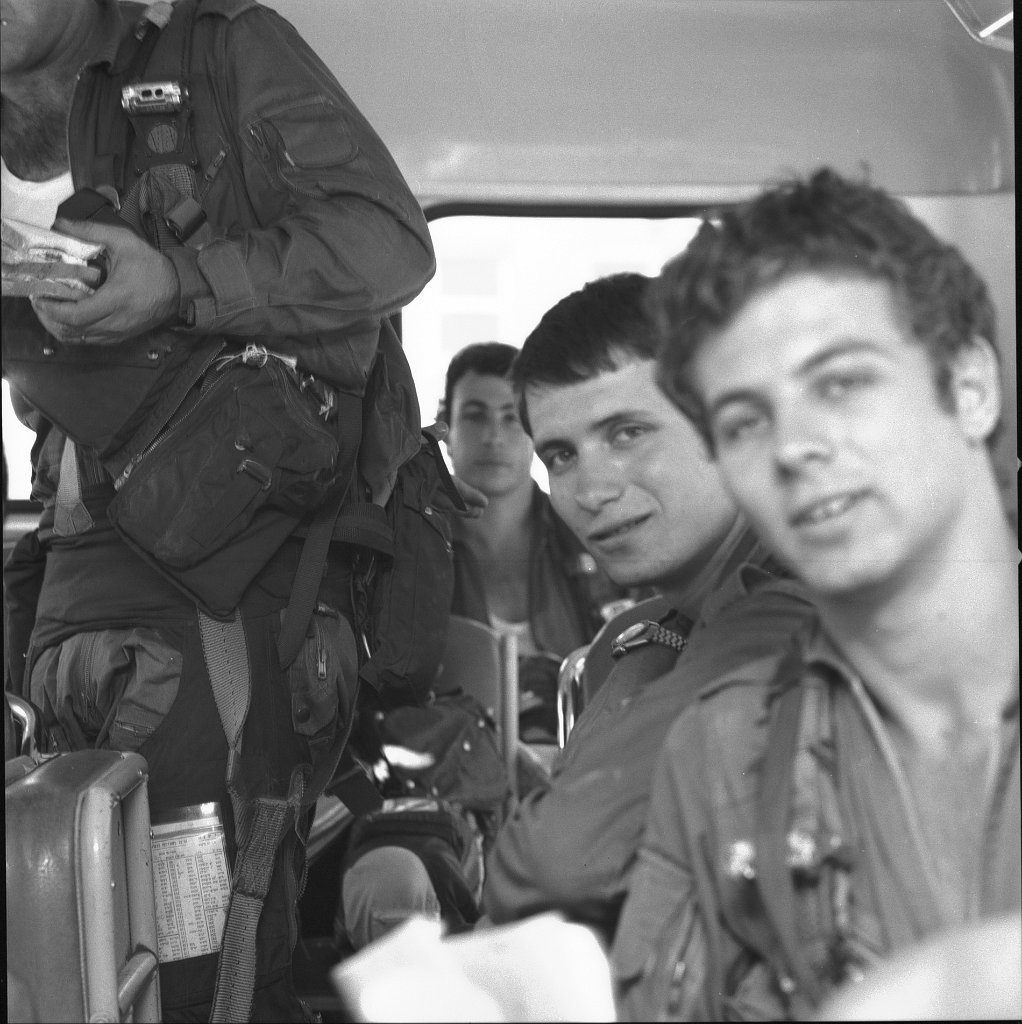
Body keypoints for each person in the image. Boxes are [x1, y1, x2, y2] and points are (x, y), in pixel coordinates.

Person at [1, 1, 440, 1019]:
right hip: (74, 582)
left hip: (223, 594)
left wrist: (181, 282)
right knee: (70, 954)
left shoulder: (220, 51)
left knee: (205, 974)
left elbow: (388, 243)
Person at [611, 169, 1020, 1020]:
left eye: (840, 383)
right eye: (745, 422)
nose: (794, 446)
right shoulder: (722, 751)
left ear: (970, 387)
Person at [481, 272, 814, 941]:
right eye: (561, 456)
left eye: (627, 433)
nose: (591, 490)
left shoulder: (797, 613)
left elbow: (554, 864)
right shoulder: (639, 638)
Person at [440, 341, 630, 743]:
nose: (493, 436)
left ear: (535, 431)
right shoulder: (418, 548)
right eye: (475, 415)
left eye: (511, 417)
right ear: (445, 430)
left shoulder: (589, 533)